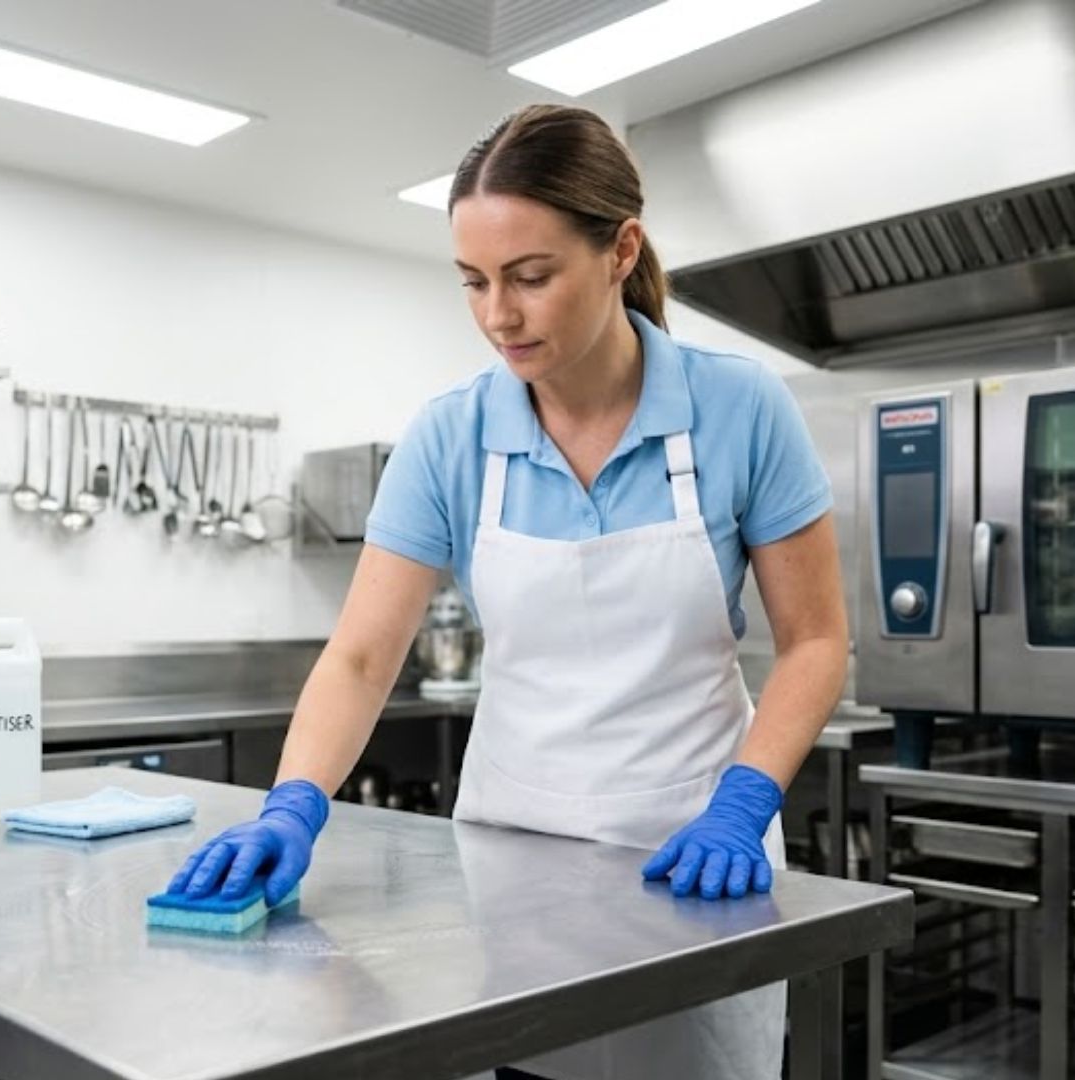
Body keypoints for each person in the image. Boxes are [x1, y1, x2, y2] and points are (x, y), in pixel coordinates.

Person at [165, 104, 848, 1079]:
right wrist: (292, 802)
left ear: (620, 251)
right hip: (516, 865)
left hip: (695, 859)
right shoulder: (451, 437)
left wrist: (743, 802)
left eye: (530, 277)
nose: (499, 315)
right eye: (475, 283)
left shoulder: (737, 409)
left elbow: (817, 641)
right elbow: (361, 657)